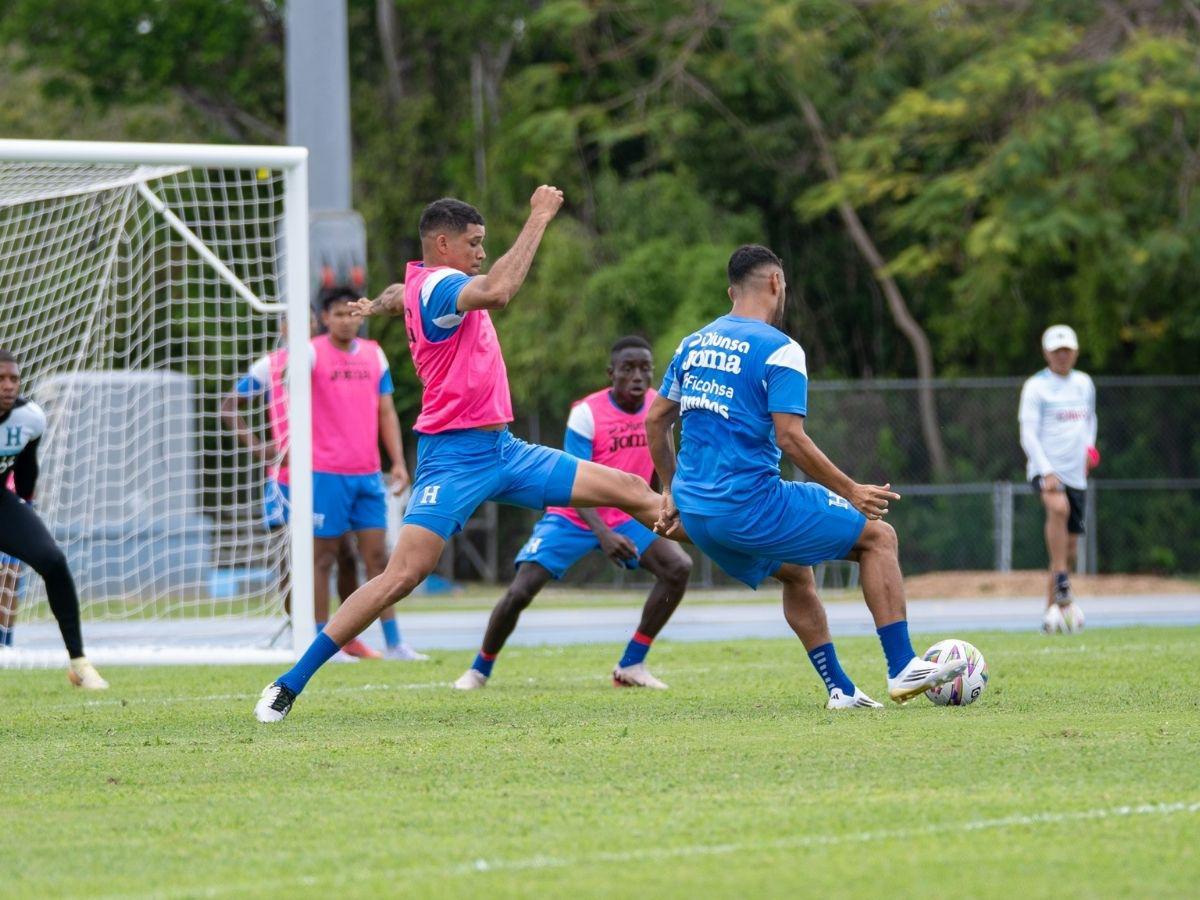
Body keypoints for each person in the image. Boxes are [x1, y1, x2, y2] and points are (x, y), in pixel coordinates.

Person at [255, 186, 677, 723]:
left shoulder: (419, 282)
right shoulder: (439, 285)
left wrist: (375, 305)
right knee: (402, 574)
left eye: (484, 244)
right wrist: (540, 216)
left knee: (636, 492)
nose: (481, 252)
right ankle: (288, 684)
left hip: (504, 449)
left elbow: (396, 293)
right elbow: (500, 291)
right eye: (474, 243)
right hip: (453, 459)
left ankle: (741, 536)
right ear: (443, 243)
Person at [645, 245, 967, 707]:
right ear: (776, 283)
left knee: (796, 573)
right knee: (878, 537)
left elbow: (656, 421)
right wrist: (852, 491)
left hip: (697, 514)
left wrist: (669, 489)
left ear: (730, 291)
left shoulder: (692, 343)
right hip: (749, 507)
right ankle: (902, 667)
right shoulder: (780, 349)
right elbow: (791, 439)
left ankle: (840, 689)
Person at [453, 335, 693, 691]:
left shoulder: (657, 410)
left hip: (628, 514)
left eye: (645, 368)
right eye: (628, 369)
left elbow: (659, 462)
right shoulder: (586, 412)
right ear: (611, 372)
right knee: (520, 591)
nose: (638, 376)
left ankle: (631, 664)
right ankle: (478, 670)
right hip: (575, 514)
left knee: (678, 568)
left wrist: (661, 503)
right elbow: (574, 481)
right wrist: (604, 535)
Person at [223, 293, 426, 661]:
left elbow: (386, 412)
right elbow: (246, 398)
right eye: (337, 314)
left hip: (365, 474)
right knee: (311, 558)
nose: (346, 320)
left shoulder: (373, 354)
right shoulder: (299, 357)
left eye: (352, 313)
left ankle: (391, 642)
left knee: (373, 557)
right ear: (323, 319)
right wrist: (264, 447)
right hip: (315, 475)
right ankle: (311, 637)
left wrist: (396, 461)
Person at [0, 348, 107, 688]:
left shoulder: (30, 417)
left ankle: (79, 662)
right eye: (0, 379)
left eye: (13, 378)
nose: (8, 385)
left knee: (53, 559)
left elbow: (26, 467)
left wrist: (26, 507)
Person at [1019, 324, 1096, 634]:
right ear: (1046, 353)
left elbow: (1090, 421)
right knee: (1058, 509)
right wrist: (1046, 469)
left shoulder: (1084, 383)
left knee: (1069, 549)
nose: (1062, 356)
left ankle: (1051, 614)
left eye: (1067, 350)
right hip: (1046, 470)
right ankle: (1063, 581)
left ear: (1075, 352)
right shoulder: (1036, 387)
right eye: (1056, 351)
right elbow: (1028, 433)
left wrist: (1090, 450)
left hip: (1077, 473)